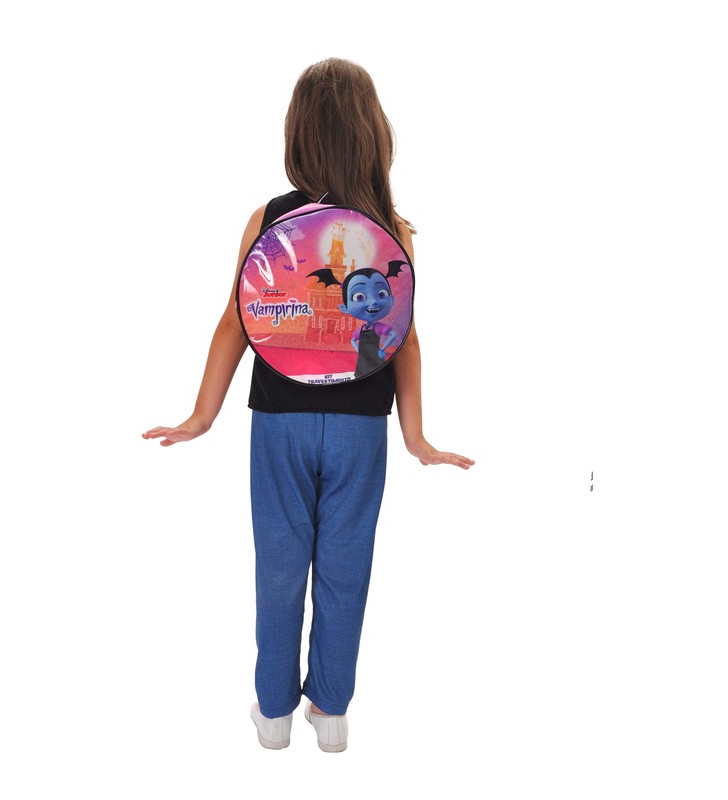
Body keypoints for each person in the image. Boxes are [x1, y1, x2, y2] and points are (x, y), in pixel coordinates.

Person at [141, 57, 475, 753]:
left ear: (297, 134)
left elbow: (236, 322)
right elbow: (404, 340)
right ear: (373, 135)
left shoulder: (270, 219)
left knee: (280, 566)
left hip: (279, 423)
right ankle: (331, 710)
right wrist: (417, 437)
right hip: (361, 431)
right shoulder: (392, 229)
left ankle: (272, 714)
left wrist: (201, 417)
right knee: (346, 569)